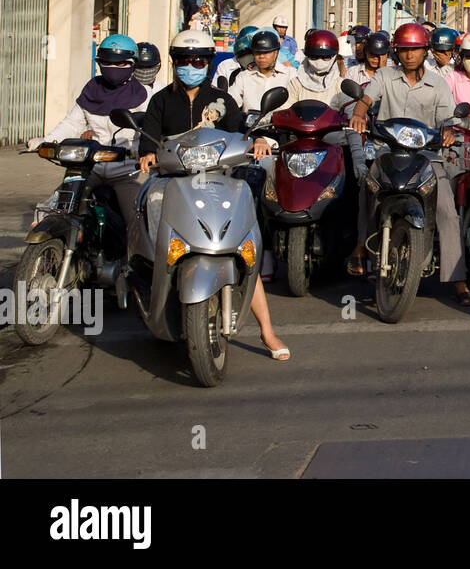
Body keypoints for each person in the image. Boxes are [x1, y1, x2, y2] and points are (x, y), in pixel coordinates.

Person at [138, 30, 288, 361]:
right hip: (172, 181)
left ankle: (267, 331)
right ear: (174, 63)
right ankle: (151, 277)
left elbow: (243, 131)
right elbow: (147, 138)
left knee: (241, 245)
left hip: (218, 180)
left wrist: (258, 140)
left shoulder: (223, 99)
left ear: (207, 64)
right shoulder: (161, 100)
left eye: (198, 61)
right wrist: (148, 152)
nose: (190, 66)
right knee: (149, 202)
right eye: (183, 61)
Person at [347, 23, 470, 306]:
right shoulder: (384, 75)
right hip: (387, 153)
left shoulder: (438, 83)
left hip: (426, 158)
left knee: (446, 208)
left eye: (415, 50)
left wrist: (448, 132)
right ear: (397, 51)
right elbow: (366, 99)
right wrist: (359, 113)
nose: (409, 56)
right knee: (367, 189)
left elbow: (448, 120)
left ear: (425, 51)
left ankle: (458, 280)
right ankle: (360, 247)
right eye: (404, 50)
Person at [28, 34, 151, 262]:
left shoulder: (144, 95)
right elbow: (72, 122)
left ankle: (138, 271)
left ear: (133, 64)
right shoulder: (91, 89)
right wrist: (47, 140)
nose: (114, 67)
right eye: (108, 62)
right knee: (55, 204)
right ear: (98, 62)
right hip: (91, 167)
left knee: (139, 218)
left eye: (121, 63)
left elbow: (150, 130)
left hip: (126, 170)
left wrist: (141, 150)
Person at [228, 29, 295, 113]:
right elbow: (230, 101)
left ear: (276, 53)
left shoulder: (290, 75)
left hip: (282, 125)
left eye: (266, 52)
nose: (261, 57)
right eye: (257, 53)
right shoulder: (244, 77)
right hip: (252, 125)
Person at [286, 29, 345, 108]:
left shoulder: (340, 86)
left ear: (334, 57)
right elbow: (284, 110)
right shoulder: (296, 84)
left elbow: (351, 110)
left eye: (325, 57)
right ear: (307, 55)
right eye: (314, 56)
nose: (319, 61)